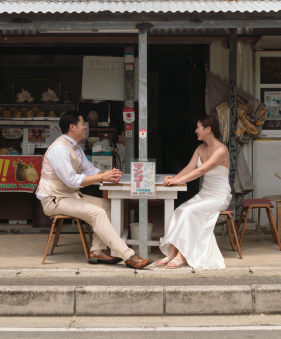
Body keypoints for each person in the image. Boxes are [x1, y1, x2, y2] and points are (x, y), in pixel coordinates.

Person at [37, 111, 152, 269]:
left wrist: (108, 176)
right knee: (97, 212)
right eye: (82, 123)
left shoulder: (75, 146)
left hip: (71, 196)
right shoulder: (59, 148)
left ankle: (97, 250)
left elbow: (90, 170)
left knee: (107, 205)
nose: (85, 127)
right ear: (72, 127)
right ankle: (129, 256)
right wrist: (102, 177)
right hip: (54, 199)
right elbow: (71, 181)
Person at [158, 115, 232, 269]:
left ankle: (182, 256)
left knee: (189, 212)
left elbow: (202, 170)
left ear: (208, 129)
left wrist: (178, 181)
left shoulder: (221, 150)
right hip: (205, 194)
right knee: (179, 210)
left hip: (219, 196)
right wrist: (175, 178)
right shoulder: (200, 148)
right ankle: (172, 253)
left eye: (198, 127)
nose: (196, 131)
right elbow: (190, 167)